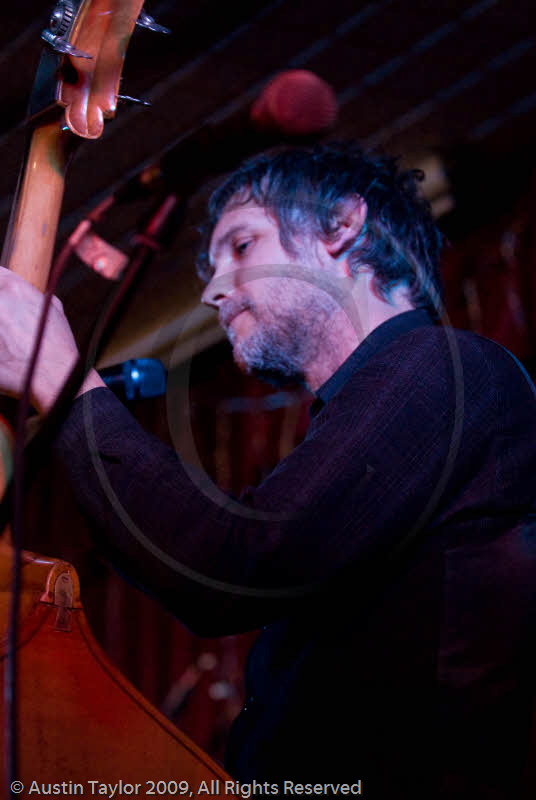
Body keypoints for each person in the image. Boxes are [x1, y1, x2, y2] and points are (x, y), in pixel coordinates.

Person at [1, 142, 536, 799]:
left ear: (342, 224)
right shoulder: (375, 410)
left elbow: (235, 565)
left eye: (242, 246)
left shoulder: (447, 367)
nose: (211, 289)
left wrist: (65, 380)